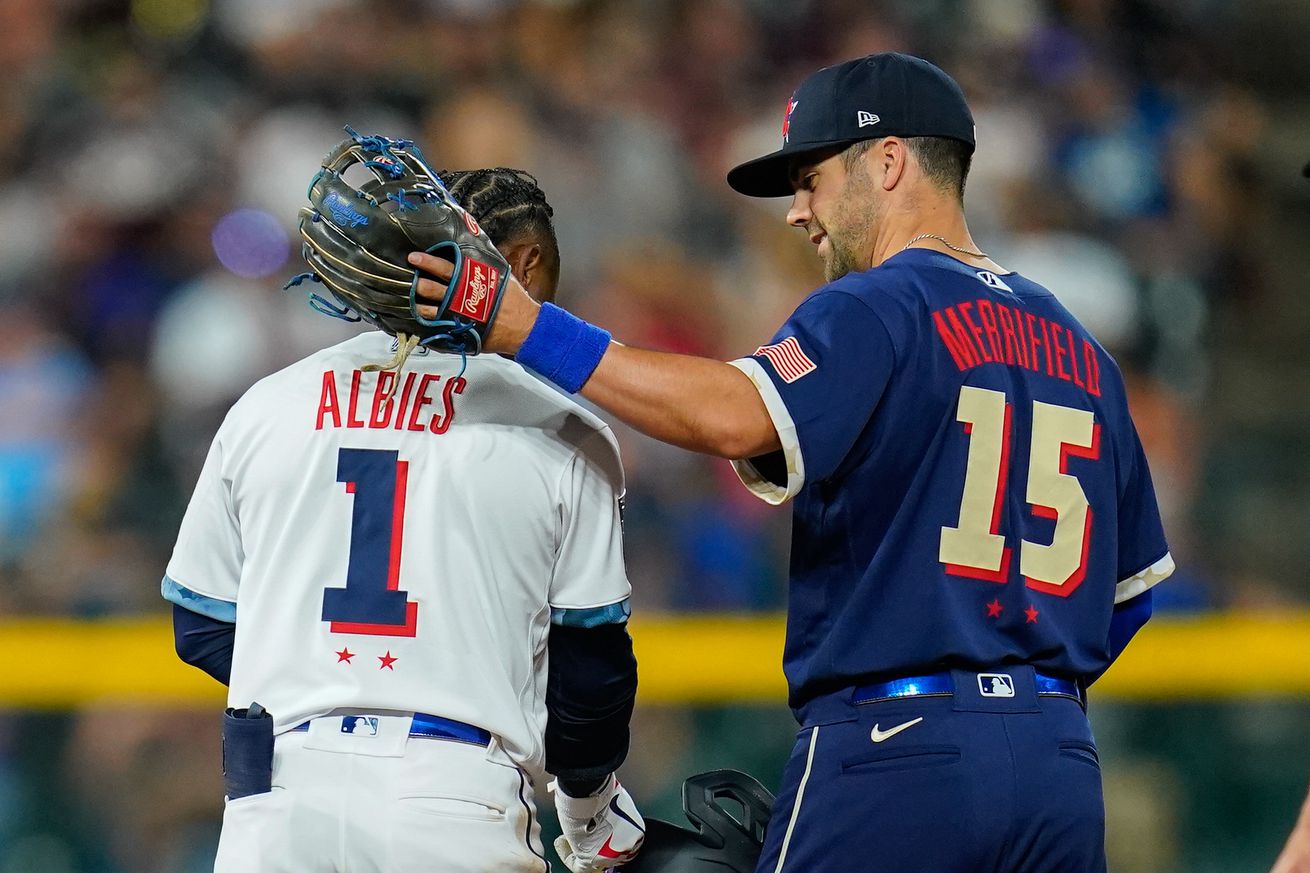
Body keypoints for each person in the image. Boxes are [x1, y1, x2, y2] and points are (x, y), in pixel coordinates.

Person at [409, 53, 1173, 872]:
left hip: (897, 747)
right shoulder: (1082, 350)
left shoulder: (880, 303)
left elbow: (732, 414)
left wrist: (526, 329)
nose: (796, 211)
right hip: (1060, 764)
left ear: (888, 161)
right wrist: (1015, 687)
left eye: (810, 179)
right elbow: (1126, 599)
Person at [164, 168, 645, 873]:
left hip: (277, 801)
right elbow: (589, 679)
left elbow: (201, 625)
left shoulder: (267, 406)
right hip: (451, 795)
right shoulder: (561, 427)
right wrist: (587, 810)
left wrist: (319, 677)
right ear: (523, 264)